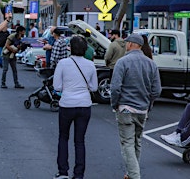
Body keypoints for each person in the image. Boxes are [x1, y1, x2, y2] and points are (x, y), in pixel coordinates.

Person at [110, 34, 162, 179]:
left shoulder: (123, 62)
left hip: (126, 108)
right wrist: (149, 103)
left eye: (127, 43)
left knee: (127, 143)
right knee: (137, 142)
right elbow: (157, 90)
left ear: (132, 44)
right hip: (142, 109)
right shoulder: (151, 64)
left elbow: (115, 88)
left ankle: (134, 175)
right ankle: (131, 172)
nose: (126, 45)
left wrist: (115, 104)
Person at [53, 35, 98, 179]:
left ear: (70, 48)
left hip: (67, 104)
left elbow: (57, 86)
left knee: (63, 137)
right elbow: (94, 87)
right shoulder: (90, 65)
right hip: (84, 105)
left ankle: (62, 172)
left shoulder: (63, 63)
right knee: (80, 141)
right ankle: (79, 174)